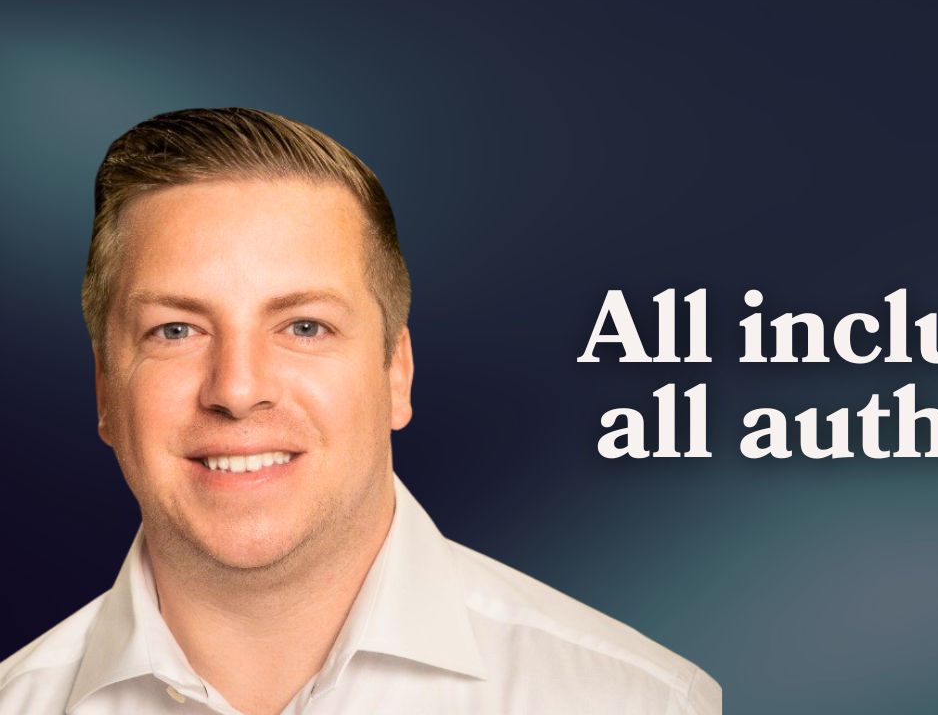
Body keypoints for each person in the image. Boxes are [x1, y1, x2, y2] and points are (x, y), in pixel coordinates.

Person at [0, 108, 721, 715]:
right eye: (175, 330)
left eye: (304, 326)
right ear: (105, 389)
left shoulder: (639, 702)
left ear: (396, 373)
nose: (238, 389)